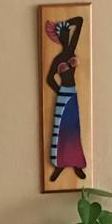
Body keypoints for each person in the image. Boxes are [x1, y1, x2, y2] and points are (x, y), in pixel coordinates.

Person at [45, 16, 87, 181]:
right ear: (58, 38)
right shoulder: (58, 59)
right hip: (63, 95)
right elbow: (49, 78)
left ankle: (76, 163)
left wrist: (66, 24)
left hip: (72, 93)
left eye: (67, 34)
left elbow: (80, 21)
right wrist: (60, 91)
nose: (66, 37)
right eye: (62, 35)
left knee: (74, 129)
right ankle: (59, 164)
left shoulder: (71, 51)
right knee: (61, 129)